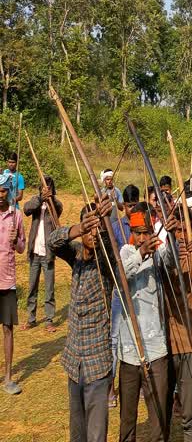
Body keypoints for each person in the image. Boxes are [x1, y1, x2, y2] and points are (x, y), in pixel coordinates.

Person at [49, 198, 114, 441]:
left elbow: (109, 252)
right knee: (77, 432)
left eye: (98, 229)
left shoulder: (105, 262)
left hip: (97, 363)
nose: (93, 234)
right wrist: (77, 229)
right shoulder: (75, 254)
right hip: (74, 361)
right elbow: (52, 242)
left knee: (96, 434)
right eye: (90, 229)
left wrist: (104, 224)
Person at [117, 203, 170, 442]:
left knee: (158, 416)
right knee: (128, 419)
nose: (141, 238)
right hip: (129, 351)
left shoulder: (160, 255)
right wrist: (141, 254)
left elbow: (172, 261)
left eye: (146, 232)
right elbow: (121, 275)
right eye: (137, 232)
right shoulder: (126, 252)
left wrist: (175, 234)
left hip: (156, 349)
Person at [162, 208, 192, 442]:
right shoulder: (165, 254)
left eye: (184, 229)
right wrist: (171, 243)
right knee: (162, 411)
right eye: (176, 230)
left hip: (189, 343)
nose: (181, 235)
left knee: (189, 413)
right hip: (165, 344)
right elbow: (168, 266)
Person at [21, 175, 63, 332]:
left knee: (49, 288)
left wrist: (50, 199)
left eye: (49, 188)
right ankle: (31, 318)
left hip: (48, 253)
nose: (46, 190)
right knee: (32, 286)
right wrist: (40, 198)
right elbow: (26, 209)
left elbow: (58, 210)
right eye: (44, 188)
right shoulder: (35, 201)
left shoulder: (55, 205)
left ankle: (49, 320)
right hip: (34, 252)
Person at [0, 173, 25, 395]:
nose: (0, 195)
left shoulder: (16, 216)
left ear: (9, 192)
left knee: (7, 329)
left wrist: (16, 239)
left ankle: (8, 377)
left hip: (7, 281)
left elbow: (21, 248)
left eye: (3, 191)